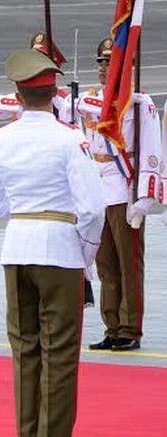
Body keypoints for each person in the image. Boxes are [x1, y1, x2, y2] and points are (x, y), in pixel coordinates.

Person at [0, 48, 105, 437]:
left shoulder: (2, 139)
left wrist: (22, 209)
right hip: (60, 249)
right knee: (60, 354)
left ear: (17, 94)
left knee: (25, 351)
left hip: (17, 247)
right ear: (55, 93)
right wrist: (84, 254)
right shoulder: (70, 139)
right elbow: (93, 209)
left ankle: (28, 431)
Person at [74, 38, 161, 352]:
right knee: (106, 264)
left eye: (109, 62)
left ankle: (129, 328)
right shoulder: (88, 101)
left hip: (124, 190)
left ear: (126, 69)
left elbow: (152, 150)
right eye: (100, 62)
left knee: (128, 265)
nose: (102, 67)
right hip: (98, 190)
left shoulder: (139, 105)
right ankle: (111, 325)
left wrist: (144, 196)